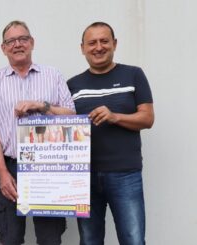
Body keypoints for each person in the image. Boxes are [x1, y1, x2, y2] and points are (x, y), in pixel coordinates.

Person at [0, 20, 76, 245]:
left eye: (23, 39)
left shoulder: (53, 75)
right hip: (10, 166)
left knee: (50, 238)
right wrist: (1, 173)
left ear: (32, 43)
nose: (17, 44)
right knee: (10, 237)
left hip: (49, 166)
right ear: (3, 48)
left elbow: (72, 116)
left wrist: (42, 106)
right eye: (11, 41)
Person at [67, 21, 154, 245]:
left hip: (125, 174)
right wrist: (41, 108)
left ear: (114, 44)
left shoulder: (133, 75)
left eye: (104, 41)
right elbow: (63, 120)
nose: (98, 47)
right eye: (92, 42)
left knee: (133, 239)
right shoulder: (72, 85)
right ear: (82, 48)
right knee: (89, 240)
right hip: (83, 176)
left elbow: (148, 118)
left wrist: (115, 116)